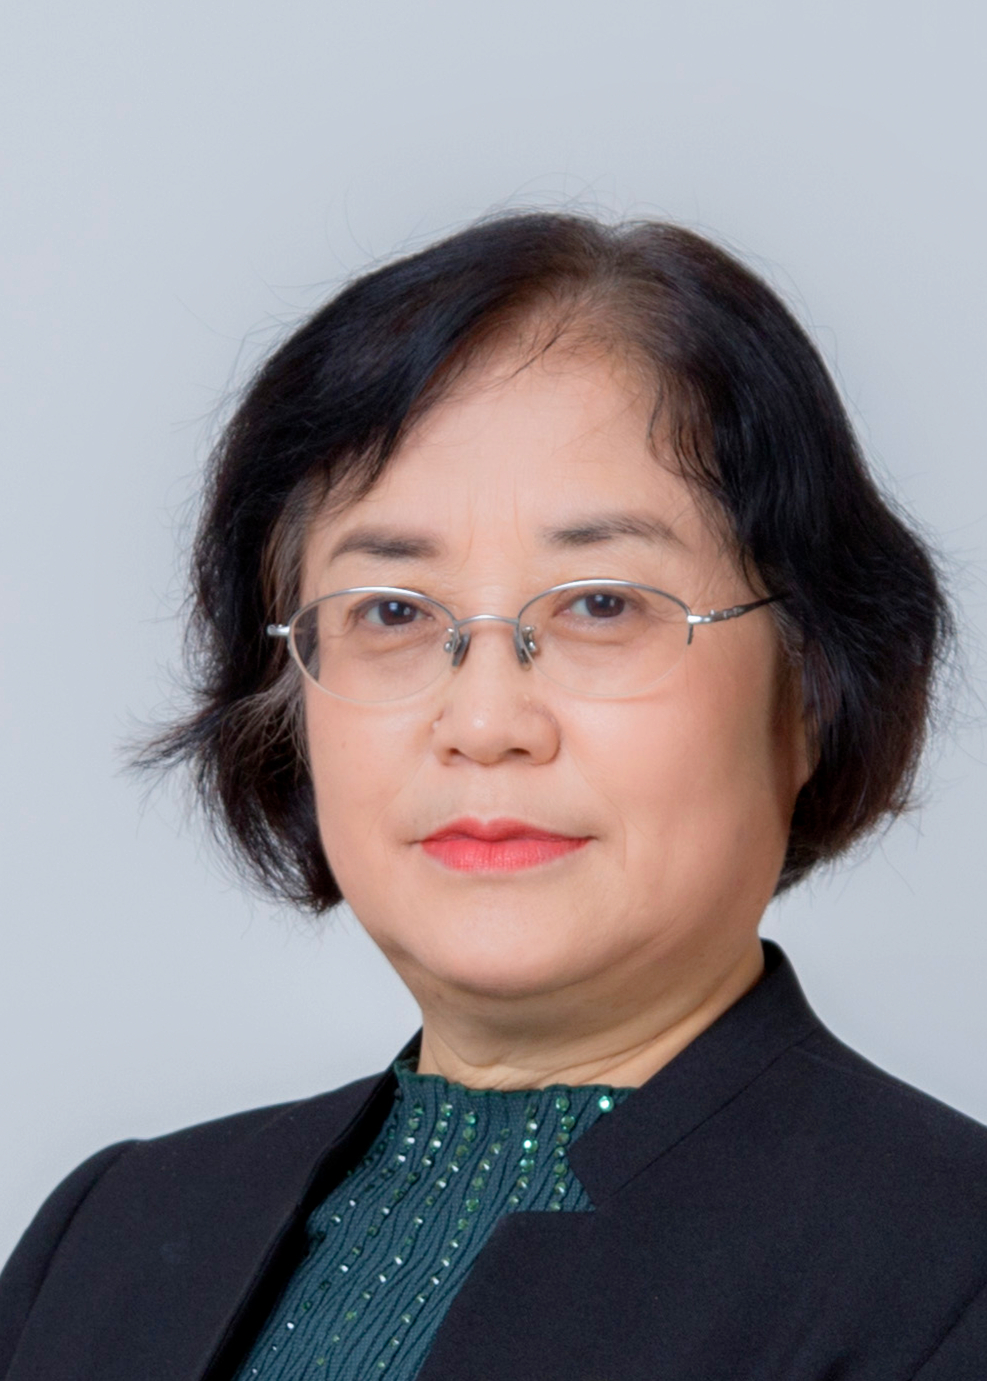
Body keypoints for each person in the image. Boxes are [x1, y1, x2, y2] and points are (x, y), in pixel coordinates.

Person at [1, 211, 984, 1381]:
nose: (482, 722)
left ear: (812, 689)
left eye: (602, 604)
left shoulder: (950, 1273)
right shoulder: (103, 1239)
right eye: (391, 612)